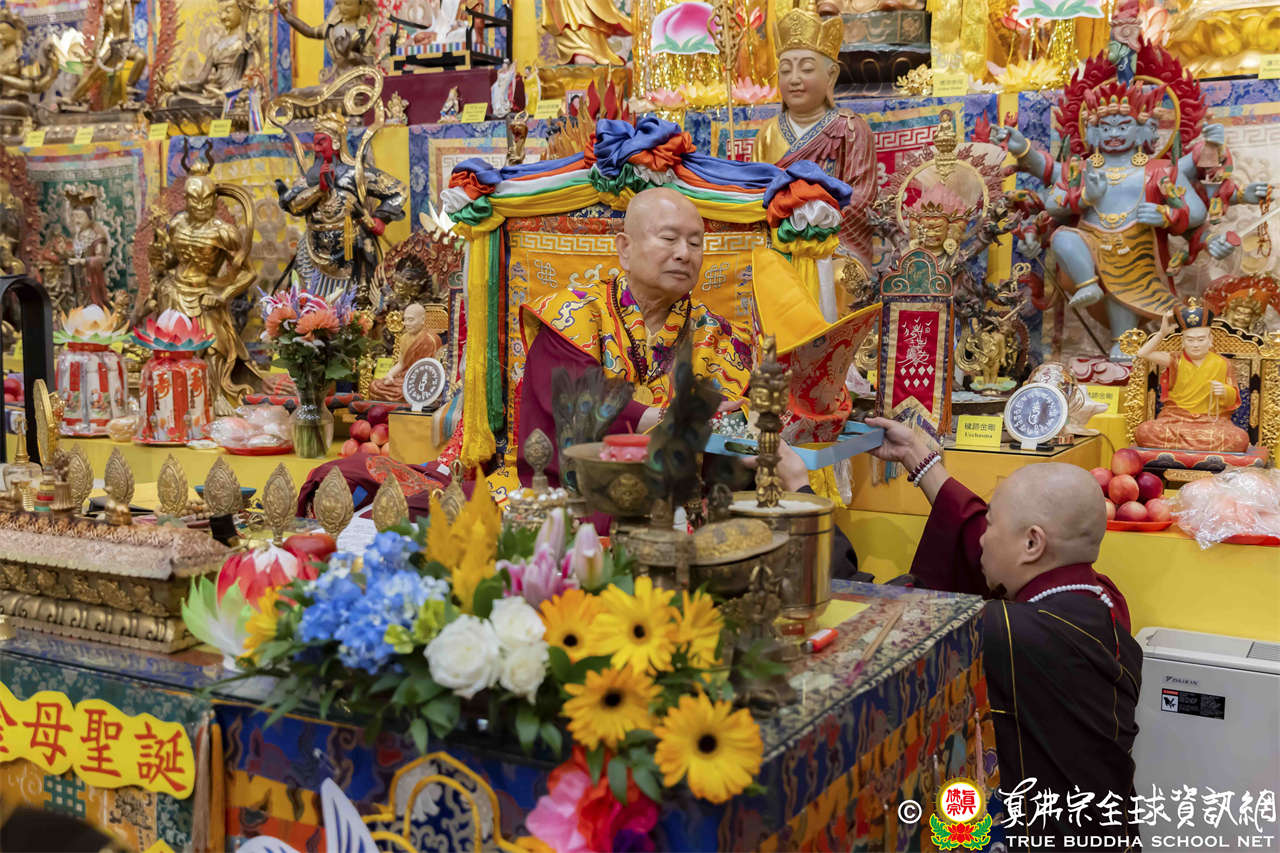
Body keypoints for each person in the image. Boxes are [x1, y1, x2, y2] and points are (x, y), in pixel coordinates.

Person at [867, 415, 1142, 847]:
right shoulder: (1103, 601)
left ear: (1032, 544)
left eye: (992, 525)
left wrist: (803, 503)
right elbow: (981, 535)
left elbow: (887, 621)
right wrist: (916, 457)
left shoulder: (1011, 633)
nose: (982, 539)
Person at [517, 186, 753, 487]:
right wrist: (671, 418)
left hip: (682, 494)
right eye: (669, 239)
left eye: (695, 243)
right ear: (625, 248)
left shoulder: (717, 334)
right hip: (576, 492)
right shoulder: (571, 314)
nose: (684, 254)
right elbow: (576, 400)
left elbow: (733, 416)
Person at [1133, 299, 1250, 452]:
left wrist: (1225, 391)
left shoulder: (1222, 363)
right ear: (1183, 342)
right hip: (1176, 419)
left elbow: (1233, 399)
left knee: (1239, 438)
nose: (1195, 345)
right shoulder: (1176, 360)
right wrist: (1162, 333)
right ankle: (1199, 446)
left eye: (1201, 339)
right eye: (1190, 340)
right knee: (1144, 431)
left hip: (1210, 422)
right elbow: (1143, 353)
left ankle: (1182, 446)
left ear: (1210, 340)